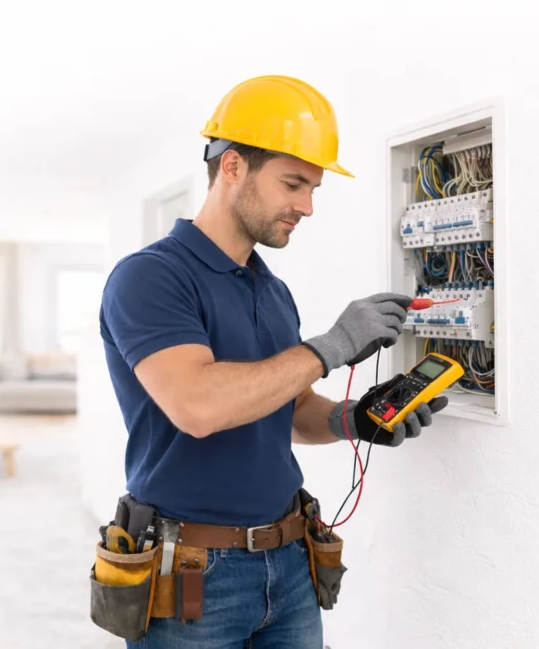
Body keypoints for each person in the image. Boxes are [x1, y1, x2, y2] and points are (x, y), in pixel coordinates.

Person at [98, 75, 445, 648]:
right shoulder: (151, 277)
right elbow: (199, 405)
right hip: (193, 576)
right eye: (293, 184)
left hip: (290, 564)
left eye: (313, 189)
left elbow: (286, 407)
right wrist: (330, 346)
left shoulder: (271, 289)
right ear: (232, 166)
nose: (306, 206)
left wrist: (353, 420)